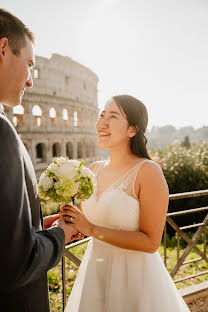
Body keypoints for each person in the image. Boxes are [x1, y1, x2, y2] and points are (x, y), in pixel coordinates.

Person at [61, 95, 190, 311]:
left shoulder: (148, 171)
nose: (102, 122)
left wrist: (92, 229)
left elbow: (151, 243)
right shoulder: (92, 170)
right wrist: (65, 220)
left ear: (132, 130)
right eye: (102, 115)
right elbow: (84, 223)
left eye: (113, 116)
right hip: (96, 272)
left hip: (136, 279)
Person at [0, 9, 81, 312]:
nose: (31, 81)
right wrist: (61, 233)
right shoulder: (2, 132)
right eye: (30, 65)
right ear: (3, 49)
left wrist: (32, 227)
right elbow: (16, 265)